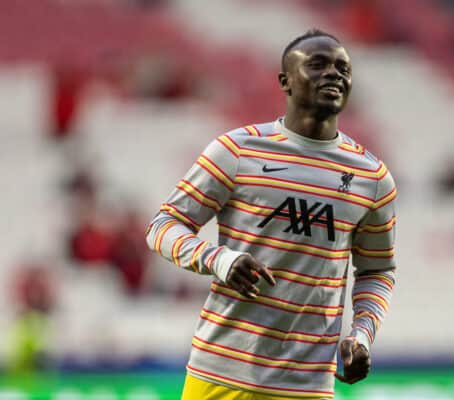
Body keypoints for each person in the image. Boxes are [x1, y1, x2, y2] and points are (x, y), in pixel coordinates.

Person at [145, 29, 397, 399]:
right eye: (317, 65)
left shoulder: (371, 178)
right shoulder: (236, 151)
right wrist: (219, 259)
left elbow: (378, 271)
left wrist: (361, 333)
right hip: (221, 372)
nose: (334, 74)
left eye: (343, 68)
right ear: (286, 81)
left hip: (308, 385)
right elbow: (162, 227)